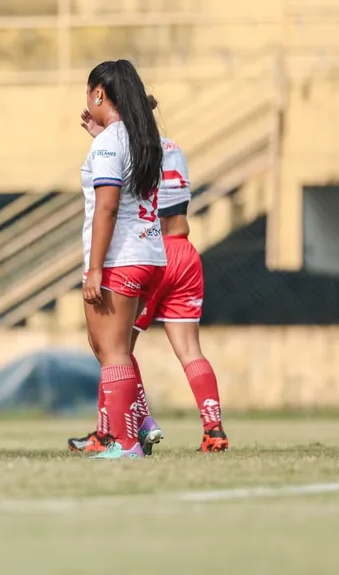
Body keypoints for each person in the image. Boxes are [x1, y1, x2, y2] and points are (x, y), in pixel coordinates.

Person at [69, 109, 227, 454]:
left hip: (148, 250)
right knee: (190, 350)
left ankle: (113, 430)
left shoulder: (130, 145)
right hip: (185, 251)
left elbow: (119, 196)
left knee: (115, 349)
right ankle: (213, 428)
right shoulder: (169, 147)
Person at [77, 60, 166, 460]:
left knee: (110, 351)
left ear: (99, 94)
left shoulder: (111, 142)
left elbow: (107, 207)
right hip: (150, 255)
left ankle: (126, 443)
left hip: (120, 258)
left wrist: (95, 268)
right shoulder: (138, 136)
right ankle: (142, 423)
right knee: (109, 348)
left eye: (88, 93)